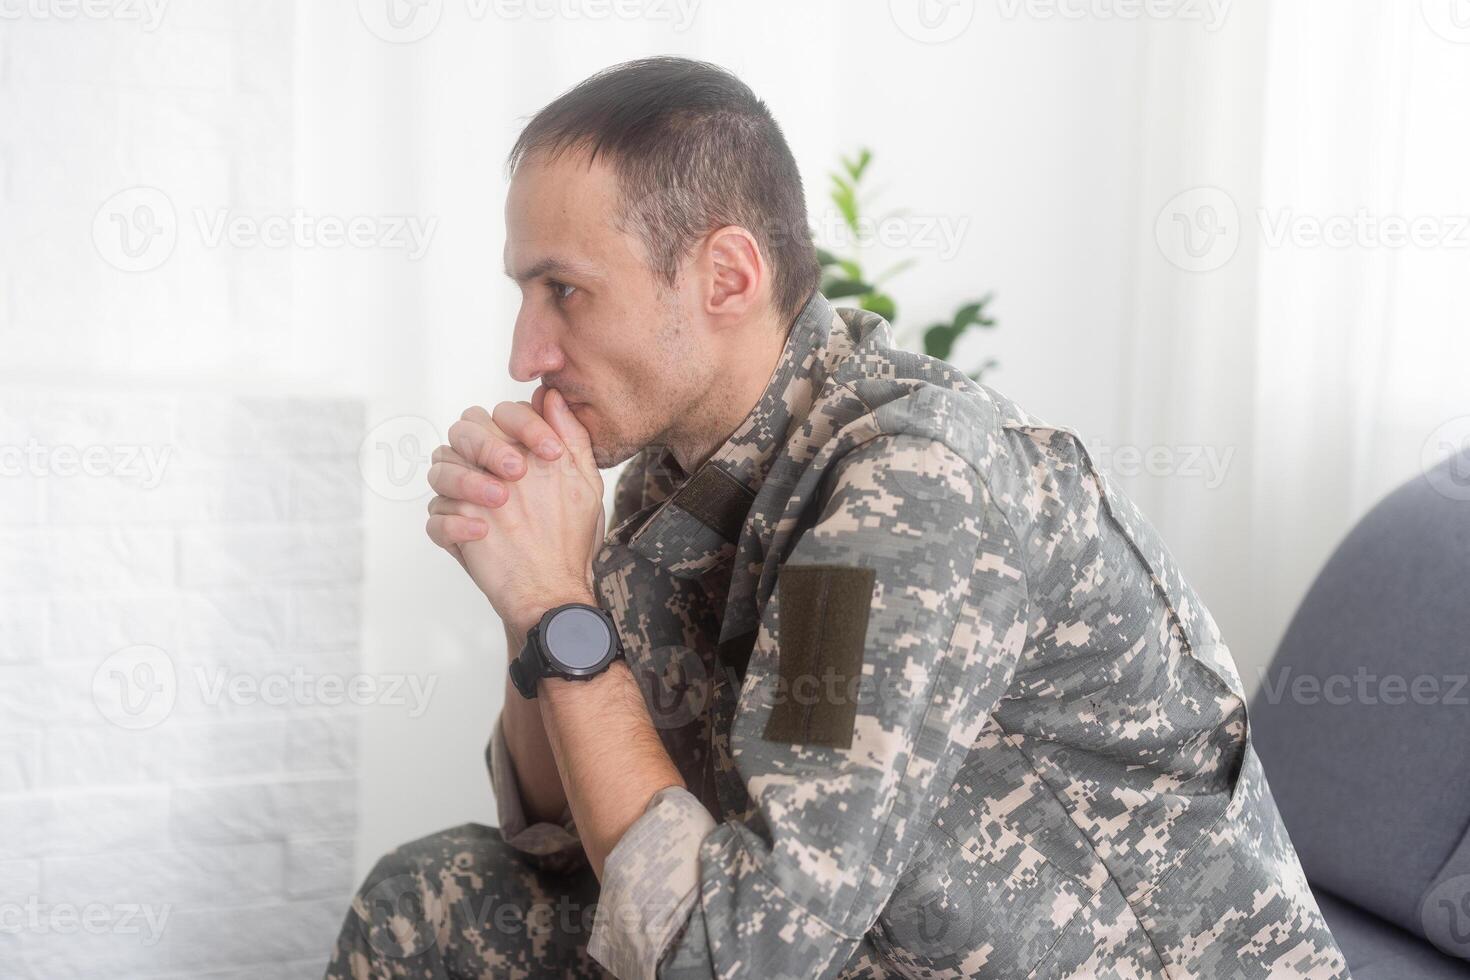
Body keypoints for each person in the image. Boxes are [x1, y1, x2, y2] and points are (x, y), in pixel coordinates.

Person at [325, 56, 1349, 979]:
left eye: (564, 291)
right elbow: (559, 831)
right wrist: (532, 601)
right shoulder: (677, 471)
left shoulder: (907, 487)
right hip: (853, 937)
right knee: (434, 895)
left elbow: (736, 957)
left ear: (727, 277)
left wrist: (564, 606)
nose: (525, 352)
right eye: (524, 291)